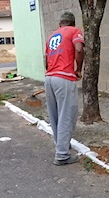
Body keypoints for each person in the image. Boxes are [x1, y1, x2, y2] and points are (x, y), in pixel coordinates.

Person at [44, 11, 84, 166]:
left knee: (55, 117)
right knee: (67, 115)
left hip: (49, 78)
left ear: (60, 24)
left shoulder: (51, 36)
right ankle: (62, 155)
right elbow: (79, 49)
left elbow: (46, 59)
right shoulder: (75, 31)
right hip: (64, 77)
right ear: (72, 23)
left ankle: (61, 146)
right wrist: (79, 69)